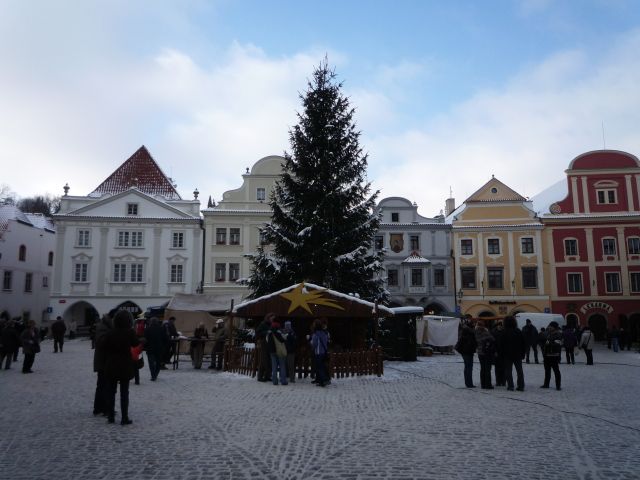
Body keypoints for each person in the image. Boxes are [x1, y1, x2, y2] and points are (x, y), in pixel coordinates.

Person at [103, 310, 139, 425]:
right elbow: (135, 344)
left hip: (111, 364)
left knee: (111, 392)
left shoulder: (110, 332)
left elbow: (104, 346)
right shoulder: (130, 332)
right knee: (124, 393)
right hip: (125, 365)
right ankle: (124, 418)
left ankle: (110, 417)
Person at [498, 316, 526, 391]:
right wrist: (523, 353)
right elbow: (523, 343)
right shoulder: (518, 331)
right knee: (519, 371)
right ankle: (521, 385)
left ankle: (510, 386)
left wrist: (501, 354)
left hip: (507, 355)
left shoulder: (504, 332)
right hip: (518, 354)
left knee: (508, 371)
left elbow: (501, 345)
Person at [93, 314, 112, 416]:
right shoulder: (103, 328)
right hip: (103, 362)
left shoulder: (104, 327)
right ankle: (103, 408)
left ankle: (99, 408)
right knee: (104, 385)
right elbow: (101, 343)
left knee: (102, 385)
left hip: (103, 361)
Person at [541, 321, 563, 390]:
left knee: (556, 371)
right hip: (547, 355)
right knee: (547, 370)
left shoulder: (558, 335)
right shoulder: (549, 334)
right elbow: (546, 342)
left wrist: (549, 343)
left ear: (554, 327)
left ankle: (558, 385)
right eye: (549, 326)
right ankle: (546, 384)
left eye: (551, 326)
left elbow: (558, 345)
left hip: (554, 355)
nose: (549, 327)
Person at [455, 321, 477, 388]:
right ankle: (469, 383)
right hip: (468, 352)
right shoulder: (470, 332)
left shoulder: (464, 331)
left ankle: (468, 383)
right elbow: (471, 343)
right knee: (469, 367)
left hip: (465, 352)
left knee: (467, 367)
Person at [266, 320, 288, 385]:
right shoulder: (279, 333)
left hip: (272, 352)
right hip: (279, 351)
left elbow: (267, 341)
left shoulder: (269, 334)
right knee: (282, 366)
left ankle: (275, 381)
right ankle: (283, 381)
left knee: (274, 367)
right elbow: (283, 340)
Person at [475, 321, 495, 389]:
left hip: (480, 352)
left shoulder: (475, 332)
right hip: (486, 352)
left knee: (482, 368)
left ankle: (483, 384)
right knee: (487, 369)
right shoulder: (485, 332)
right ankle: (488, 384)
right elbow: (493, 339)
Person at [310, 318, 329, 387]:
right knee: (322, 366)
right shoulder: (324, 333)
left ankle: (324, 380)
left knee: (319, 367)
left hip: (318, 352)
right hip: (323, 352)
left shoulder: (315, 334)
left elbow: (314, 344)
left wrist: (310, 342)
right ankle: (321, 380)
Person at [255, 313, 273, 382]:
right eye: (272, 318)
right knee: (263, 360)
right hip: (264, 344)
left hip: (270, 344)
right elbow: (258, 333)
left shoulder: (271, 324)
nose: (272, 319)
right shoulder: (263, 324)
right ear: (268, 318)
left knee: (269, 361)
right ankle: (260, 377)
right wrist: (266, 332)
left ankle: (267, 376)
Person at [491, 321, 505, 387]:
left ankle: (503, 381)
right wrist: (494, 351)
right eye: (499, 326)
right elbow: (493, 343)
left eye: (501, 326)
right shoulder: (494, 332)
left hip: (503, 352)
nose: (500, 327)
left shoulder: (504, 332)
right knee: (497, 368)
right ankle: (498, 381)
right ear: (497, 326)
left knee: (503, 367)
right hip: (496, 352)